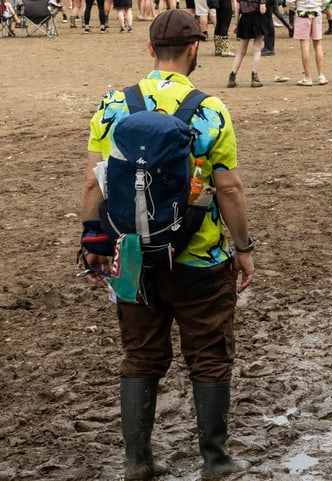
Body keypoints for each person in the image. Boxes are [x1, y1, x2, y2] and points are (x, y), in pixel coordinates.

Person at [80, 9, 255, 481]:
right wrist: (243, 248)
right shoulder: (211, 109)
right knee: (210, 354)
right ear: (195, 48)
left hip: (132, 256)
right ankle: (215, 462)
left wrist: (93, 240)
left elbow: (94, 183)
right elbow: (231, 189)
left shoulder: (113, 104)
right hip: (201, 255)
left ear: (150, 49)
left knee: (140, 354)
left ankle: (138, 461)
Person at [227, 0, 268, 88]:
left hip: (244, 19)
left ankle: (232, 76)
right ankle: (254, 77)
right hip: (257, 19)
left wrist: (236, 24)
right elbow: (262, 10)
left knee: (241, 51)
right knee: (257, 50)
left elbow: (237, 8)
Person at [288, 0, 329, 86]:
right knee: (318, 43)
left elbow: (290, 1)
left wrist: (295, 7)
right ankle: (321, 75)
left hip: (302, 11)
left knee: (304, 44)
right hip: (316, 11)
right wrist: (320, 6)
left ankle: (308, 77)